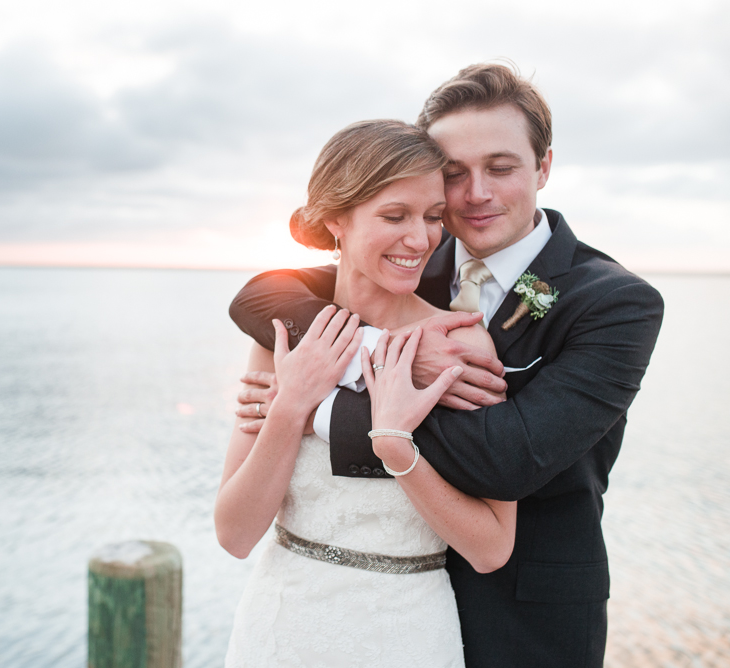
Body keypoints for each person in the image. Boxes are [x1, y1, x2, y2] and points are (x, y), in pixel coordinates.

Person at [229, 63, 664, 668]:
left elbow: (507, 458)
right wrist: (377, 350)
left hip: (524, 617)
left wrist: (315, 408)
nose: (476, 194)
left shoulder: (613, 302)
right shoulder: (413, 258)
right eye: (455, 174)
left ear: (543, 168)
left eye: (502, 167)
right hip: (352, 607)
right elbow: (260, 297)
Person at [215, 119, 517, 667]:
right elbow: (234, 535)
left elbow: (492, 547)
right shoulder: (284, 341)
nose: (421, 239)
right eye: (394, 216)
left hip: (408, 633)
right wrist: (291, 406)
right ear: (336, 218)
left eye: (431, 217)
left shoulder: (460, 345)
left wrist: (398, 449)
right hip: (281, 630)